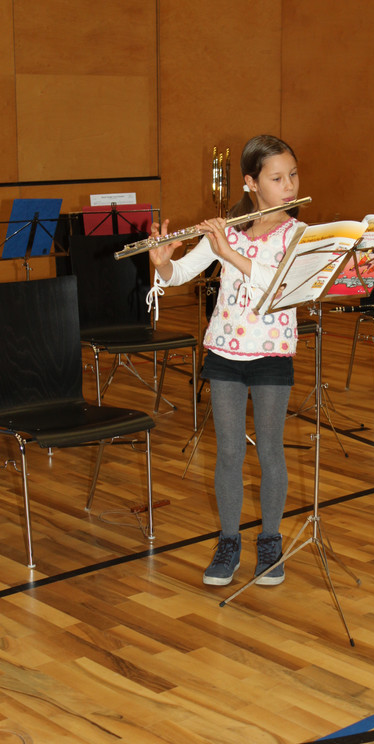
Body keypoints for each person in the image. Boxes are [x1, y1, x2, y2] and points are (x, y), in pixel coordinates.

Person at [149, 134, 306, 587]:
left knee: (271, 449)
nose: (289, 186)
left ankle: (270, 540)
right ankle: (229, 540)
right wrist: (161, 263)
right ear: (251, 183)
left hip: (272, 352)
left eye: (293, 175)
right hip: (224, 352)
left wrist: (229, 253)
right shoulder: (227, 229)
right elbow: (180, 273)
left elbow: (282, 286)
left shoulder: (297, 235)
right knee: (230, 452)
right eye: (277, 178)